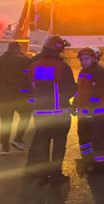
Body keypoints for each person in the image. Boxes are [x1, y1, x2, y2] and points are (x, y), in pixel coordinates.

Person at [26, 35, 77, 185]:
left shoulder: (34, 65)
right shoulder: (63, 67)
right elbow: (71, 89)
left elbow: (28, 86)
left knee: (42, 145)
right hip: (59, 114)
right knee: (59, 146)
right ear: (59, 50)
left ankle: (42, 176)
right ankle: (56, 175)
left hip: (40, 114)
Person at [73, 46, 104, 175]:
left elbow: (97, 93)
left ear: (93, 58)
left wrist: (90, 109)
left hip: (99, 112)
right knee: (84, 136)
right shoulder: (83, 72)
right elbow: (80, 92)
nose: (83, 61)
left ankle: (102, 164)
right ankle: (88, 160)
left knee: (98, 137)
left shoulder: (99, 71)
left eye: (86, 59)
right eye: (82, 59)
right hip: (86, 112)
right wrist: (75, 104)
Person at [0, 41, 31, 155]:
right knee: (26, 114)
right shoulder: (22, 60)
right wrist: (29, 93)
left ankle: (5, 147)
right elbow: (28, 77)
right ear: (18, 49)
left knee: (5, 121)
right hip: (18, 96)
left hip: (2, 97)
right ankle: (18, 138)